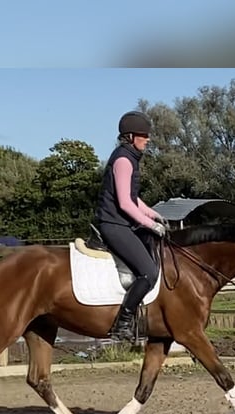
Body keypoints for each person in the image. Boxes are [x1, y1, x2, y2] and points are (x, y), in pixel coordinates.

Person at [94, 110, 169, 341]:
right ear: (130, 136)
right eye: (143, 135)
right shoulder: (124, 160)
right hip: (113, 224)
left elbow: (133, 198)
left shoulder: (128, 157)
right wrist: (150, 225)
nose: (147, 139)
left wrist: (154, 214)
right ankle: (123, 323)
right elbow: (125, 204)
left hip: (121, 223)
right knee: (149, 272)